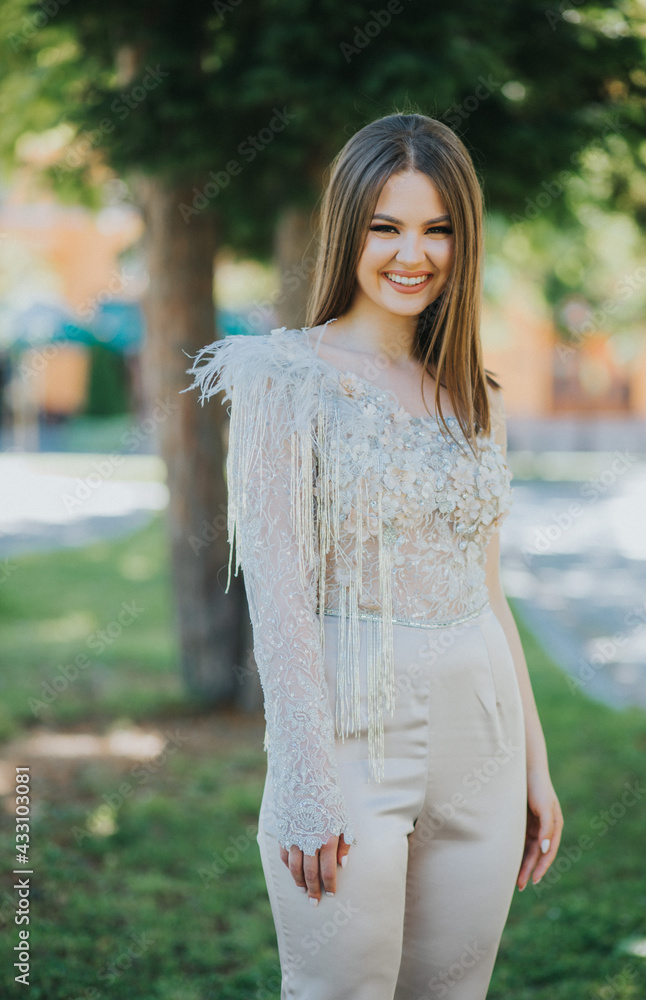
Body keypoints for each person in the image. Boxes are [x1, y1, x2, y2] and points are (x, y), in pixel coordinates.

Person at [181, 111, 564, 1000]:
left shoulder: (476, 397)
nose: (412, 254)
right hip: (349, 738)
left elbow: (490, 591)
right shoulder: (283, 378)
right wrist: (308, 782)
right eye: (385, 226)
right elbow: (276, 597)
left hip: (485, 739)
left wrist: (535, 768)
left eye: (437, 229)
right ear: (346, 228)